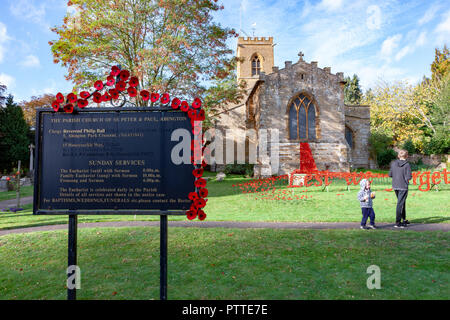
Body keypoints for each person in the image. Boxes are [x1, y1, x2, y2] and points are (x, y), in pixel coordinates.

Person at [389, 149, 412, 228]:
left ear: (399, 156)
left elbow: (390, 174)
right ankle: (398, 222)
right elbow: (409, 177)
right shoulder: (407, 165)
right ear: (406, 156)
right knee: (400, 204)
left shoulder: (393, 163)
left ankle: (404, 219)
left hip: (395, 185)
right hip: (403, 186)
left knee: (402, 202)